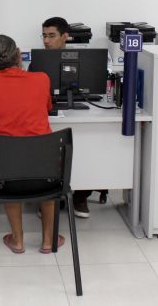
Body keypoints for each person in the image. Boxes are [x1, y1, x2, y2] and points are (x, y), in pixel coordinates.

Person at [0, 34, 64, 254]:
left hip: (3, 178)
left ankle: (17, 240)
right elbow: (47, 107)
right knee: (43, 161)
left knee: (10, 160)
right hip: (47, 178)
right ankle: (48, 241)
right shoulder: (42, 79)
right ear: (18, 55)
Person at [40, 17, 93, 219]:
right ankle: (47, 198)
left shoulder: (84, 59)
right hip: (48, 114)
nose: (46, 41)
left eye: (51, 36)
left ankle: (81, 196)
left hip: (77, 109)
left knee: (86, 147)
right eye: (44, 36)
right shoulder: (38, 62)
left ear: (65, 37)